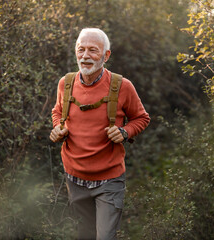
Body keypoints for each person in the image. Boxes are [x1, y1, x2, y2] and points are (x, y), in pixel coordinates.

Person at [50, 28, 150, 240]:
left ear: (106, 55)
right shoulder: (65, 84)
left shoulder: (122, 86)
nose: (85, 56)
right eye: (81, 50)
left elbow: (142, 118)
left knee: (105, 236)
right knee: (85, 235)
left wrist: (124, 132)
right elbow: (58, 111)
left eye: (93, 51)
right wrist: (58, 127)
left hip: (109, 179)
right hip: (74, 177)